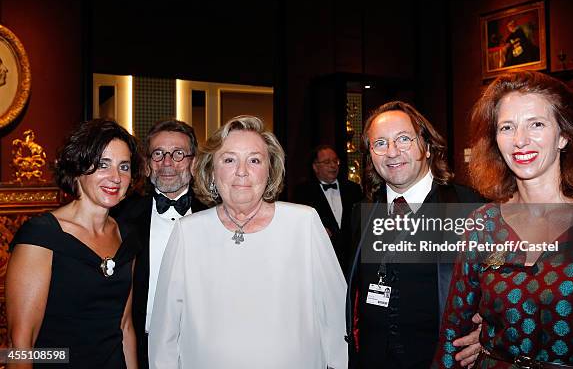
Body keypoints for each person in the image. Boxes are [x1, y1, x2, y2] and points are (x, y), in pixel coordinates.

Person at [433, 71, 573, 369]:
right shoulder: (484, 223)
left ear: (564, 136)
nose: (520, 140)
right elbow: (454, 331)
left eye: (536, 124)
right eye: (507, 127)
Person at [148, 115, 347, 368]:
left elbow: (336, 313)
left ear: (270, 169)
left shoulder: (303, 223)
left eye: (254, 160)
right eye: (229, 160)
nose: (242, 171)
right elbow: (164, 332)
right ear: (211, 169)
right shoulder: (188, 232)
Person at [346, 101, 484, 369]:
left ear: (428, 146)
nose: (392, 152)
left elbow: (500, 288)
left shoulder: (470, 208)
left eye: (404, 139)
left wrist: (488, 332)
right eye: (380, 143)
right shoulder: (361, 212)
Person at [6, 119, 143, 368]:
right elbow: (20, 345)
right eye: (103, 165)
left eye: (124, 166)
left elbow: (125, 327)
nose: (116, 177)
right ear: (78, 168)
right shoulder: (41, 236)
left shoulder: (127, 236)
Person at [111, 119, 206, 369]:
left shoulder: (216, 218)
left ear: (193, 163)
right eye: (158, 154)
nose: (167, 163)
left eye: (178, 154)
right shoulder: (121, 218)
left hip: (201, 346)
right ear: (147, 165)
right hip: (138, 345)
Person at [294, 144, 363, 273]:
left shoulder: (353, 189)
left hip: (352, 260)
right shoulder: (303, 192)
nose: (333, 165)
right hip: (322, 260)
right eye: (327, 162)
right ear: (315, 167)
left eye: (335, 161)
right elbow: (298, 226)